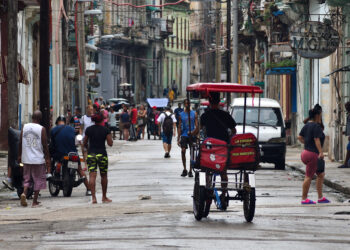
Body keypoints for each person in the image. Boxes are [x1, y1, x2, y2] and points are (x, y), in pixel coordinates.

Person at [200, 92, 236, 209]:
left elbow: (197, 130)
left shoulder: (205, 116)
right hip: (223, 148)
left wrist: (191, 135)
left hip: (210, 148)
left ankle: (208, 190)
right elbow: (234, 130)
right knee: (223, 172)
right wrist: (229, 138)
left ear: (210, 103)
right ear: (219, 102)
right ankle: (224, 195)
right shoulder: (225, 115)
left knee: (208, 170)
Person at [18, 110, 51, 207]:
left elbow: (20, 142)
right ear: (40, 119)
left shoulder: (25, 127)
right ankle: (34, 201)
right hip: (37, 159)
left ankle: (24, 193)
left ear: (32, 117)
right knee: (38, 180)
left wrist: (19, 155)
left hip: (26, 158)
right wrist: (47, 158)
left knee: (27, 179)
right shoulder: (41, 129)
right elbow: (45, 145)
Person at [51, 116, 91, 196]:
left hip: (61, 154)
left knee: (53, 159)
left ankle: (49, 173)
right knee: (80, 170)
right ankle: (89, 189)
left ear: (57, 122)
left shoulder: (53, 130)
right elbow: (76, 141)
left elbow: (52, 144)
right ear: (65, 122)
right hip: (73, 154)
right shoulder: (72, 129)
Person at [298, 107, 330, 204]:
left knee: (320, 174)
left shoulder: (307, 125)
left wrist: (307, 143)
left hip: (305, 152)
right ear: (317, 115)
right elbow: (317, 139)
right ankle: (304, 199)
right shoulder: (316, 126)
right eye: (320, 114)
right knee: (308, 176)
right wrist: (320, 152)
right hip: (313, 154)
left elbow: (299, 137)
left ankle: (320, 197)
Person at [83, 112, 113, 204]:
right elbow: (110, 144)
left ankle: (94, 198)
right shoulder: (105, 130)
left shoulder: (88, 129)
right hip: (102, 155)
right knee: (103, 175)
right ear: (102, 120)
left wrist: (87, 149)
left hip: (91, 154)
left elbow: (84, 143)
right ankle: (104, 197)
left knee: (92, 175)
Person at [177, 99, 198, 177]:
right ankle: (184, 169)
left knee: (192, 153)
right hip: (184, 135)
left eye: (188, 103)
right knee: (183, 151)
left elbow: (197, 126)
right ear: (184, 104)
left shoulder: (194, 114)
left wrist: (195, 134)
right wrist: (178, 138)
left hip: (192, 135)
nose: (187, 104)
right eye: (186, 103)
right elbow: (179, 127)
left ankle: (190, 170)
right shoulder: (181, 114)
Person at [80, 105, 95, 170]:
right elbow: (80, 128)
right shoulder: (83, 117)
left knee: (91, 151)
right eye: (90, 109)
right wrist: (80, 136)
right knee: (84, 151)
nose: (92, 111)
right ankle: (85, 165)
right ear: (87, 109)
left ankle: (91, 164)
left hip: (92, 137)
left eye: (92, 109)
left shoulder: (94, 117)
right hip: (84, 137)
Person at [339, 101, 350, 168]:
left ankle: (345, 163)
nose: (346, 108)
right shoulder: (348, 115)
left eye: (347, 107)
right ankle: (346, 163)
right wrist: (346, 132)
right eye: (346, 107)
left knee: (349, 148)